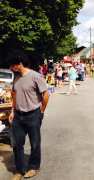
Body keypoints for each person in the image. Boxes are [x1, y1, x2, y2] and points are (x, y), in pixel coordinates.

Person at [8, 51, 49, 180]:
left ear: (19, 64)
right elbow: (14, 94)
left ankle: (33, 167)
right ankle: (20, 170)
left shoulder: (35, 76)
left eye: (12, 65)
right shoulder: (17, 77)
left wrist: (41, 112)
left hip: (33, 115)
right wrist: (12, 111)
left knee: (35, 143)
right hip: (18, 116)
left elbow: (46, 95)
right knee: (17, 144)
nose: (11, 68)